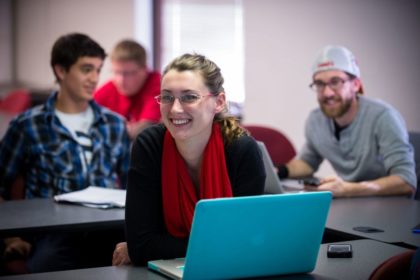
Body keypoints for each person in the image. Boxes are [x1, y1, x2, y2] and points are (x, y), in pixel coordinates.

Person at [113, 53, 266, 266]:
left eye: (189, 97)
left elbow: (242, 243)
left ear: (219, 102)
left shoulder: (241, 149)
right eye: (167, 97)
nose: (175, 109)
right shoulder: (149, 145)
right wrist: (216, 243)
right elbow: (141, 245)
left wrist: (156, 247)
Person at [0, 33, 130, 273]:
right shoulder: (28, 125)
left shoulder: (115, 124)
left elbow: (135, 188)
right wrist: (12, 239)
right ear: (61, 71)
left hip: (109, 230)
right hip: (54, 234)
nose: (94, 78)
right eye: (86, 69)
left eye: (98, 70)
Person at [277, 45, 416, 198]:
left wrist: (348, 190)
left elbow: (406, 181)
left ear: (355, 85)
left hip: (391, 206)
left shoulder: (384, 117)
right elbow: (308, 162)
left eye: (335, 82)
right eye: (320, 84)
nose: (327, 93)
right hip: (352, 204)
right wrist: (279, 171)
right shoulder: (315, 120)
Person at [94, 39, 161, 140]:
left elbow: (146, 130)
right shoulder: (108, 89)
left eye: (128, 73)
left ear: (144, 69)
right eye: (116, 72)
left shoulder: (159, 84)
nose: (120, 80)